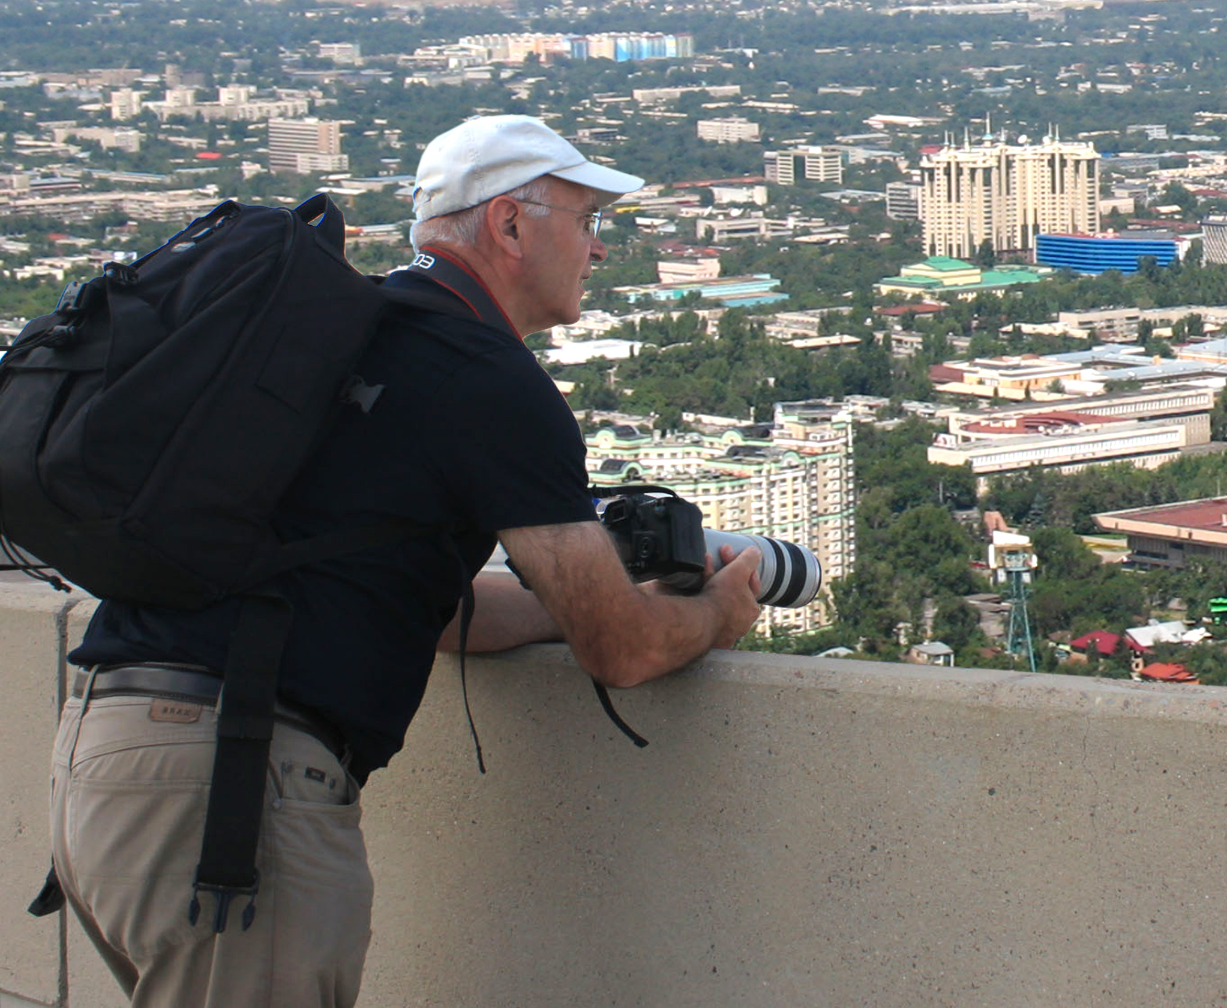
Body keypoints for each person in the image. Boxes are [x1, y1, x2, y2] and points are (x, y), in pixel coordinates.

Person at [47, 114, 765, 1008]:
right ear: (509, 224)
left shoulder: (339, 330)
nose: (598, 250)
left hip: (111, 761)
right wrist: (719, 611)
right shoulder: (484, 378)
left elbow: (425, 605)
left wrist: (565, 599)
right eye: (586, 221)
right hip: (232, 793)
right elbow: (624, 652)